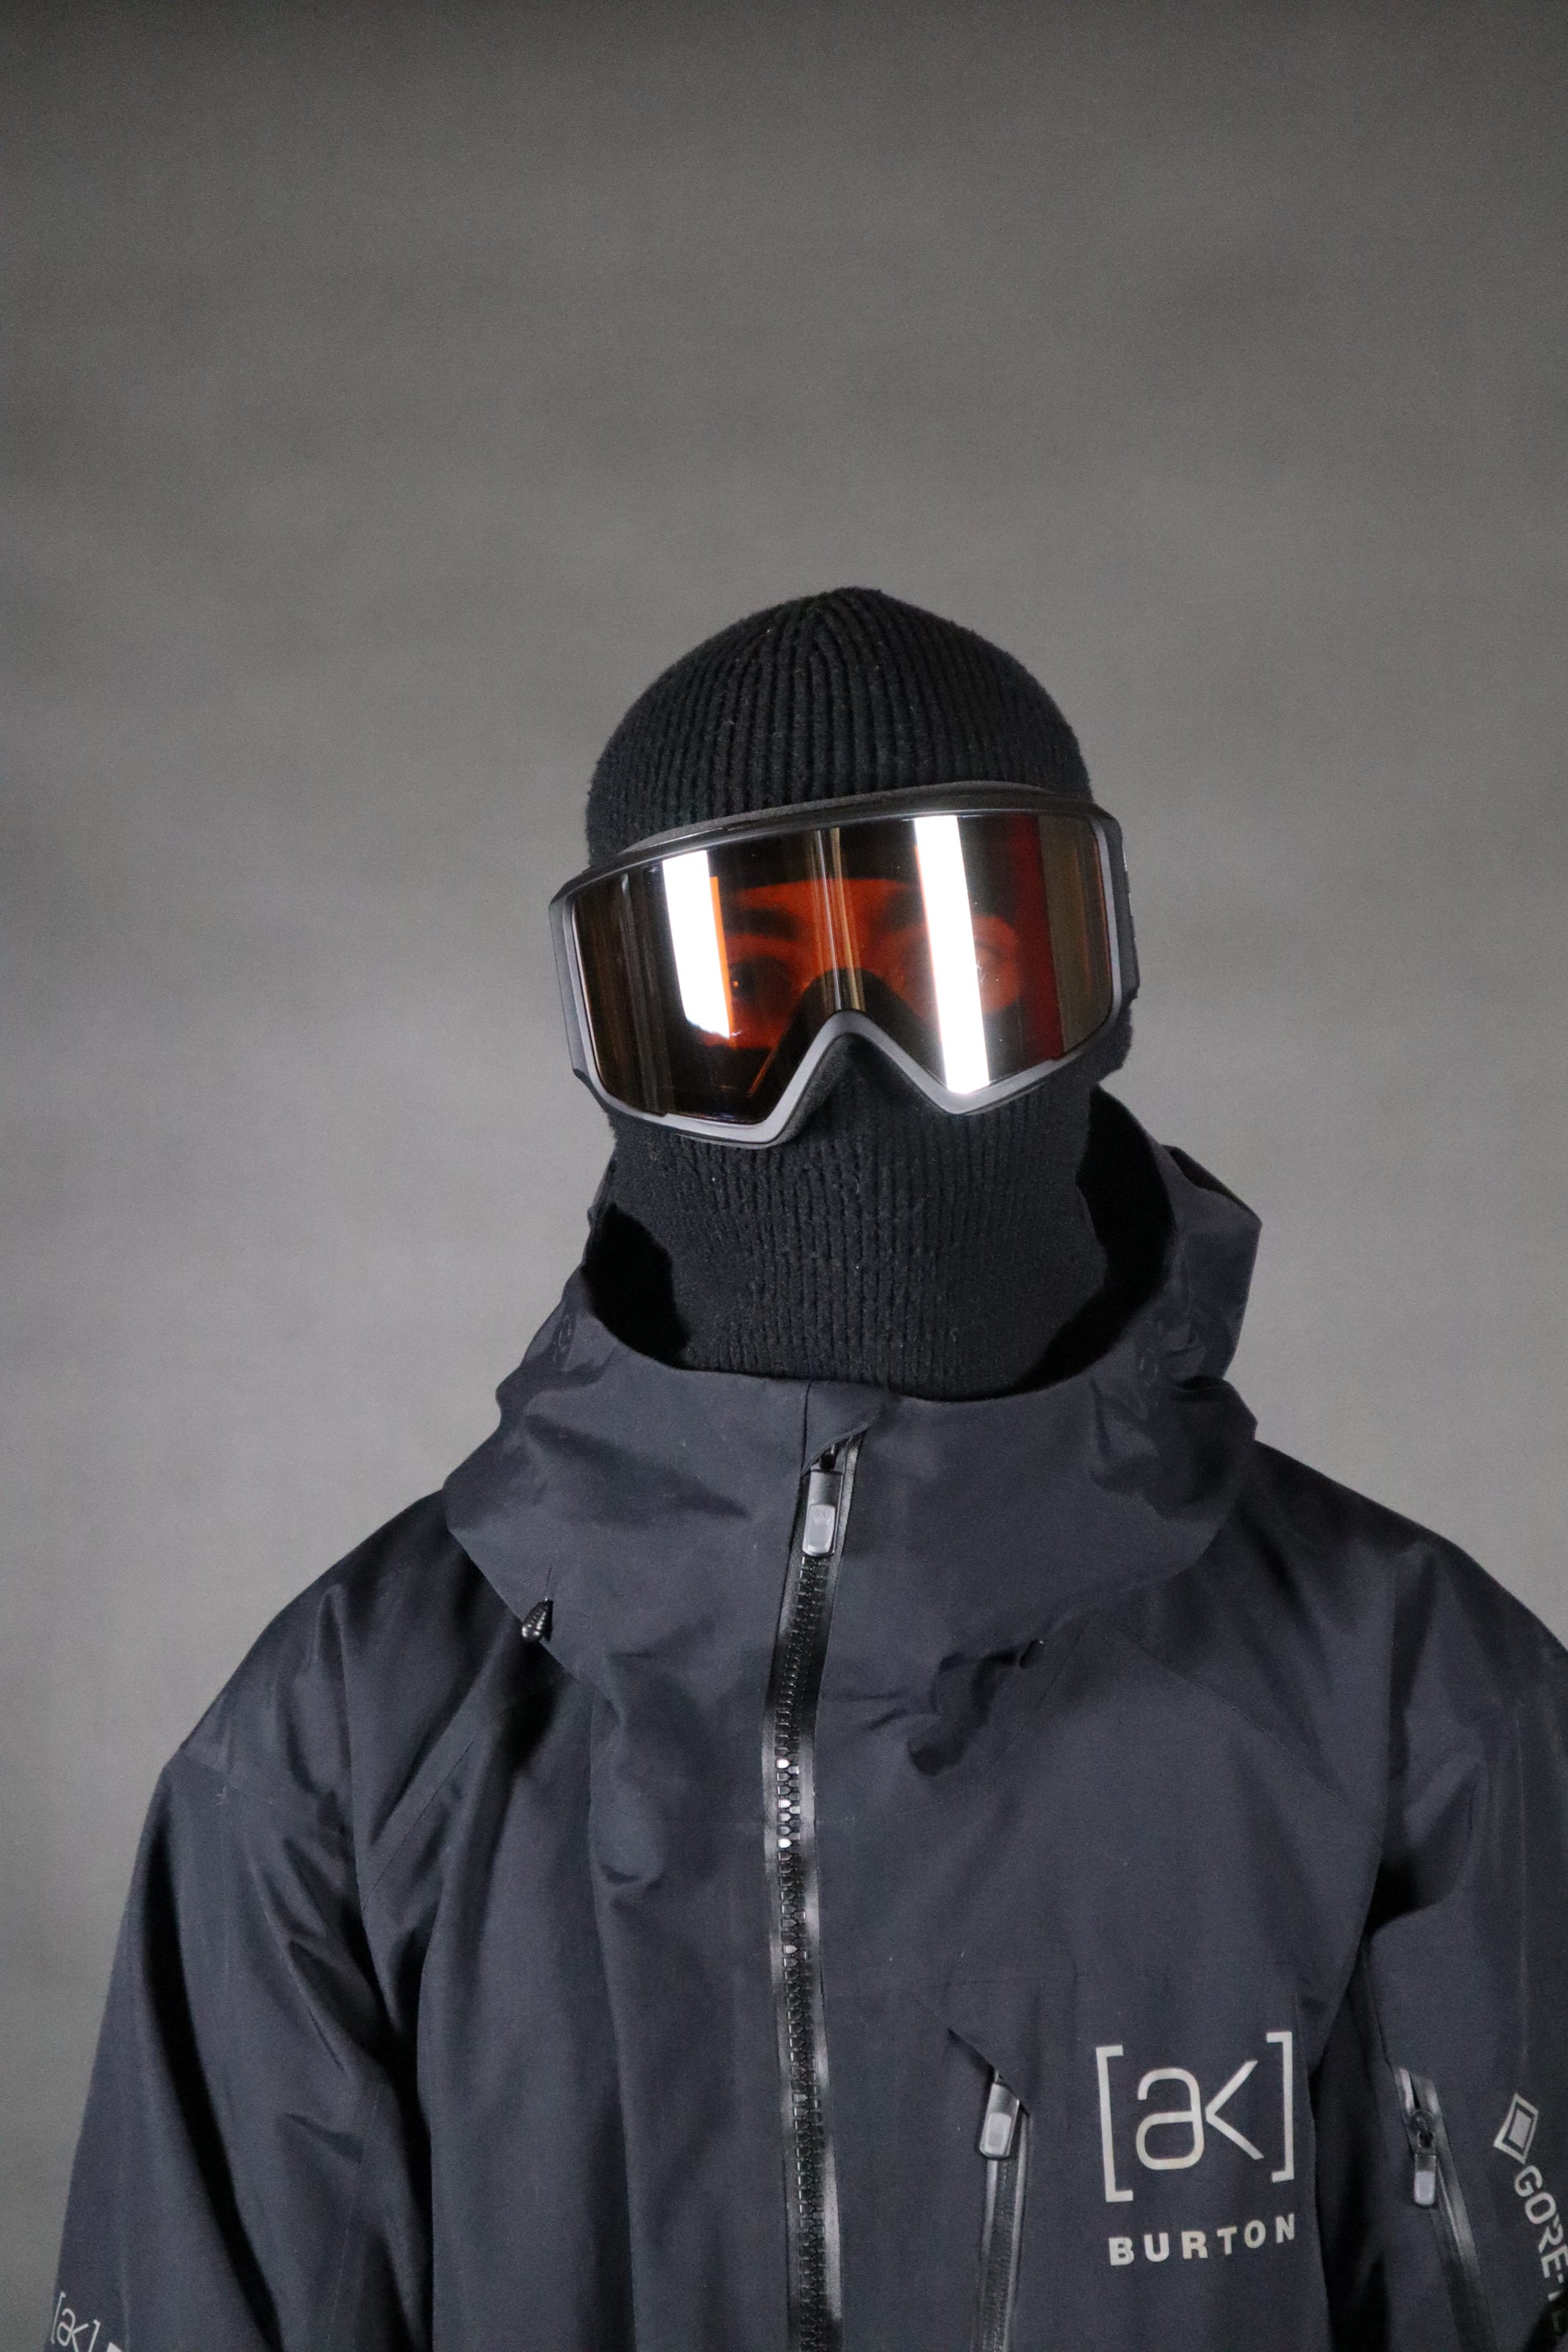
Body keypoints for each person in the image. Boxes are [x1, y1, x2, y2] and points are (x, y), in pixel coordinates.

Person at [50, 590, 1568, 2352]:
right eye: (750, 985)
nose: (851, 1061)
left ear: (1093, 987)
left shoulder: (1413, 1706)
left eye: (954, 961)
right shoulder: (341, 1750)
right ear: (618, 1040)